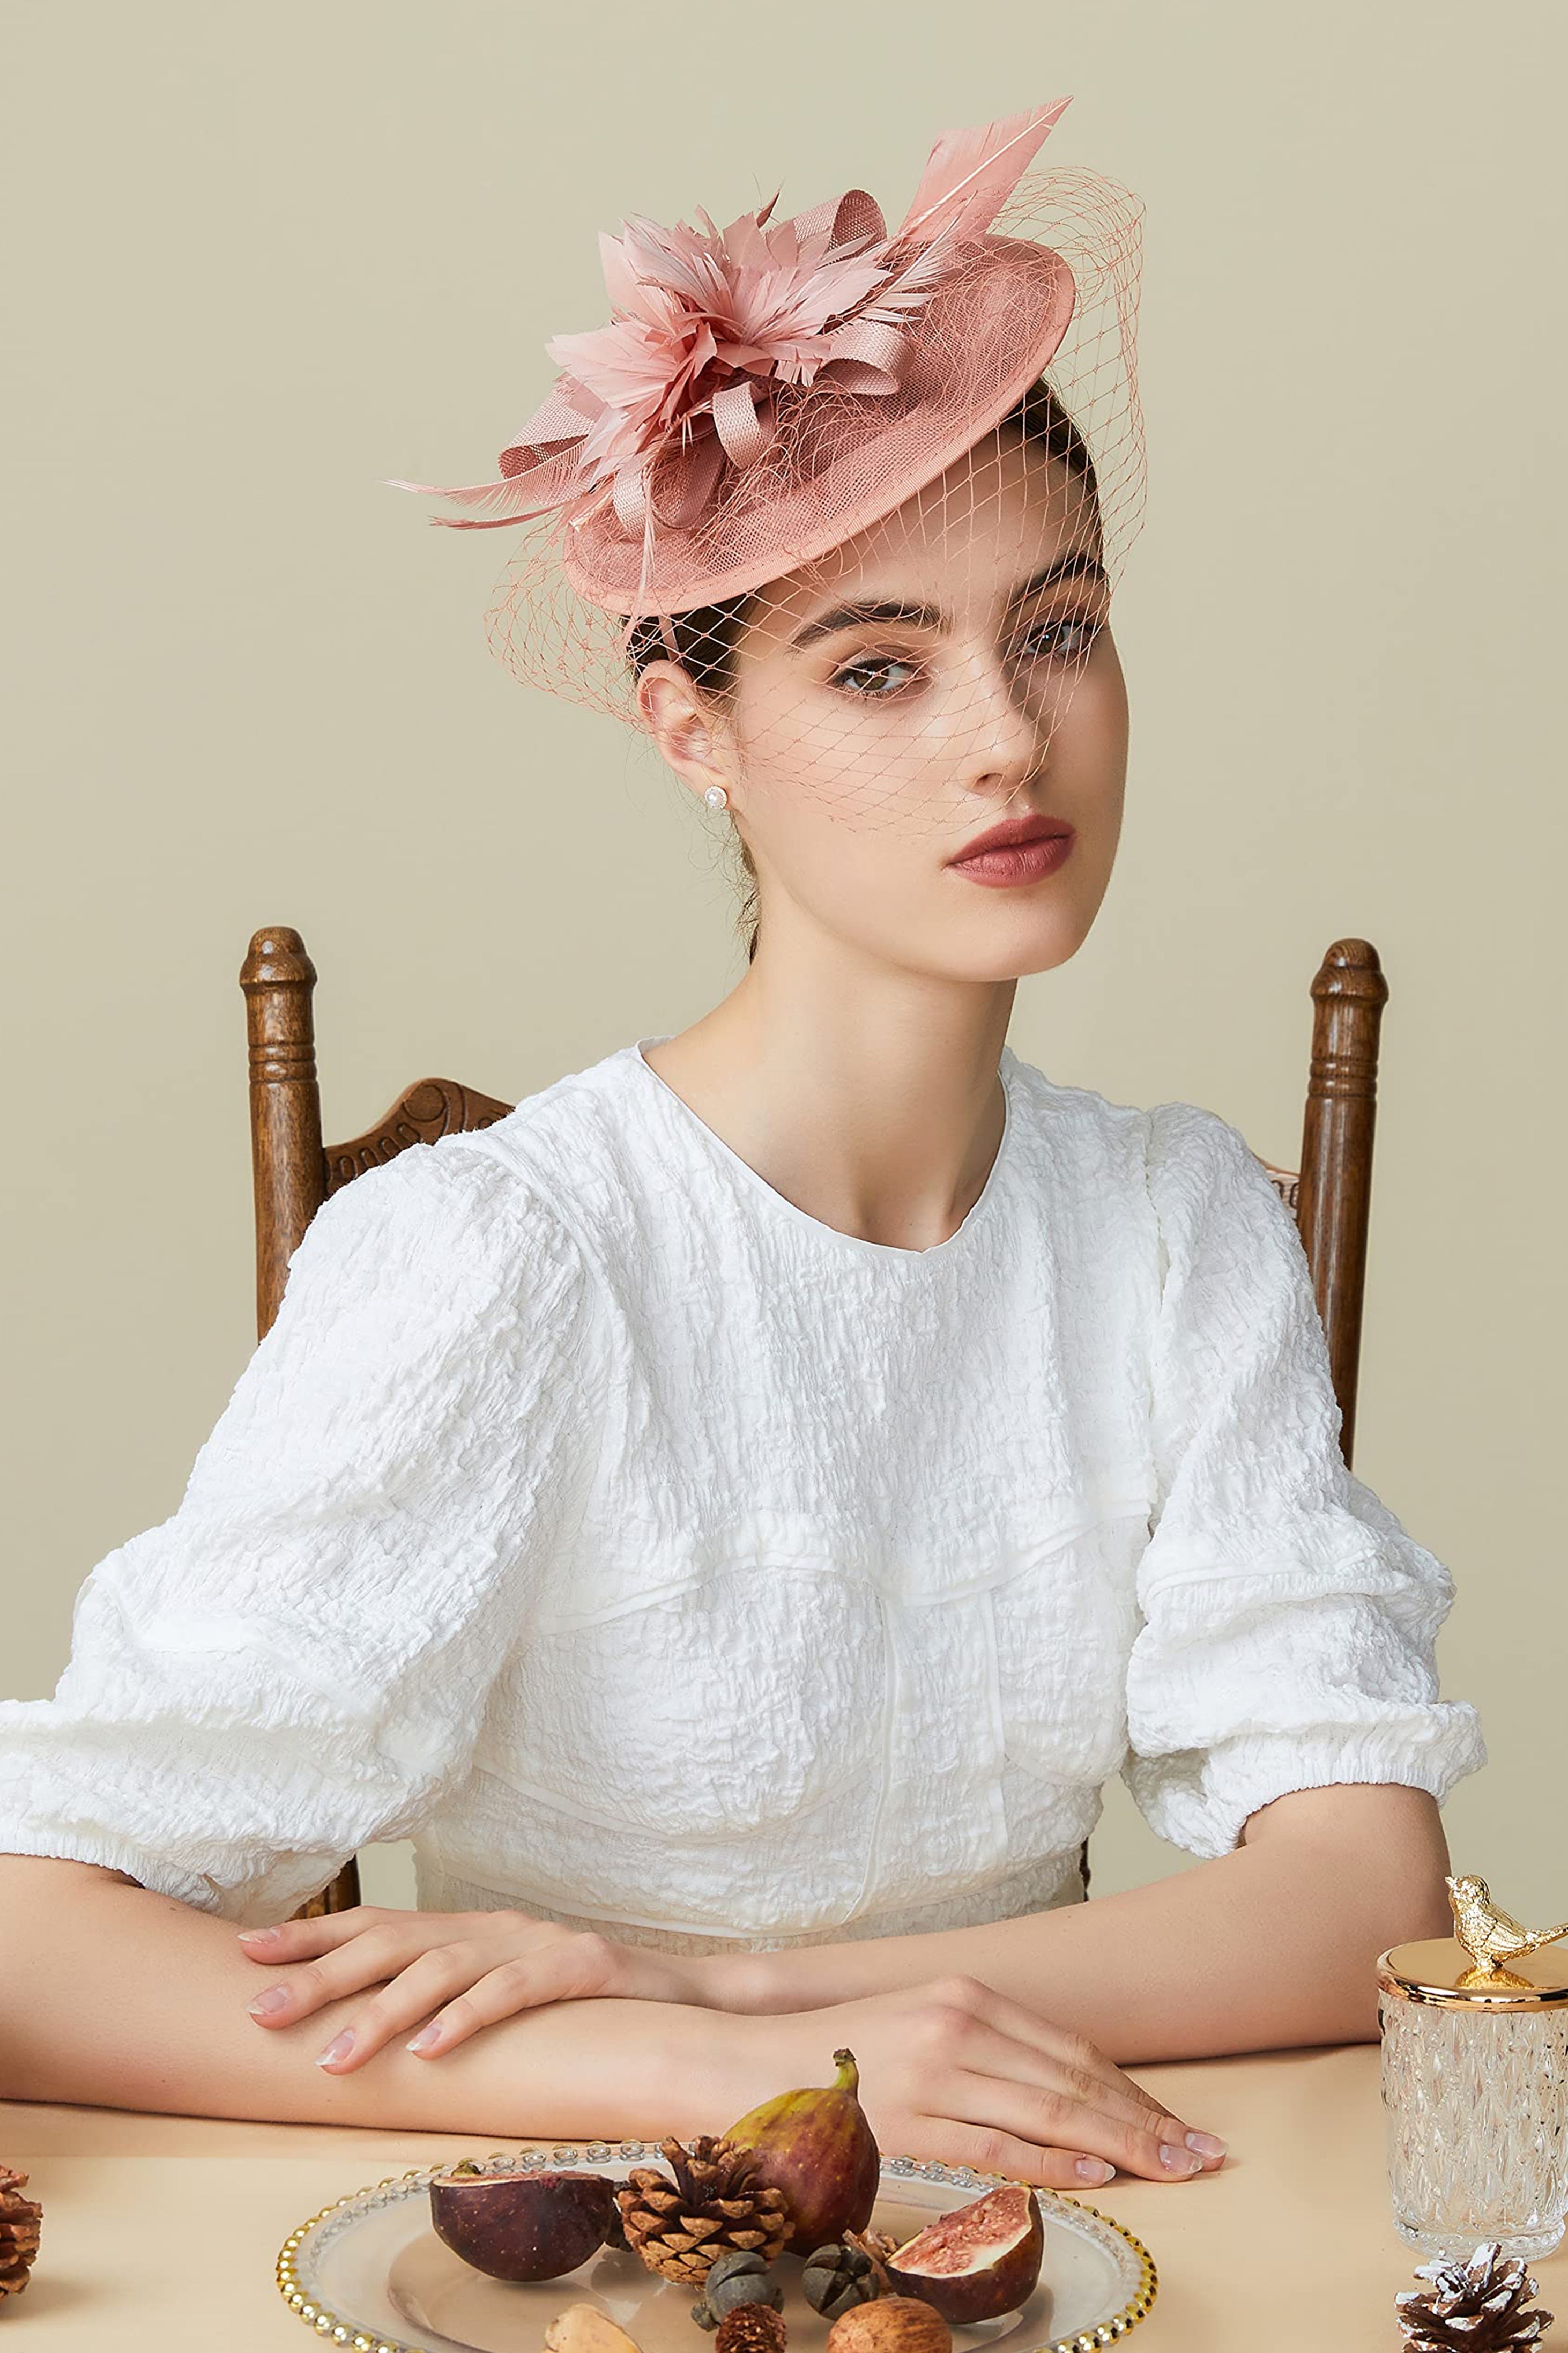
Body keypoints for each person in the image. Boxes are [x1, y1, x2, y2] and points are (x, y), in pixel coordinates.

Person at [0, 101, 1484, 2194]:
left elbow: (1363, 1900)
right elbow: (32, 1942)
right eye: (880, 666)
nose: (1008, 735)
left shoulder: (1171, 1225)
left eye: (1058, 627)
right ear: (693, 732)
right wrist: (687, 2062)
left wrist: (754, 1990)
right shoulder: (504, 1253)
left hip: (1053, 2227)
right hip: (590, 2249)